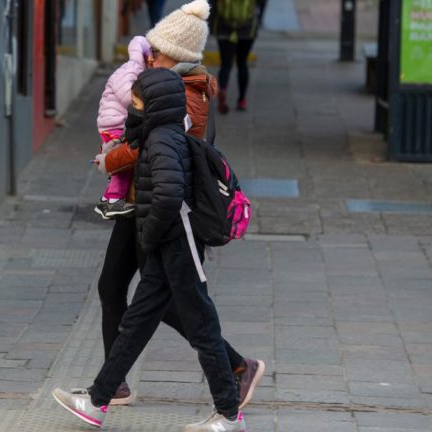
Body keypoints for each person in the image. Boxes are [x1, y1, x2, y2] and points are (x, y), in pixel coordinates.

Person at [92, 0, 265, 408]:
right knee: (122, 289)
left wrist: (111, 158)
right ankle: (112, 385)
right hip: (144, 197)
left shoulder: (188, 96)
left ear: (178, 55)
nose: (150, 56)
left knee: (165, 301)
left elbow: (153, 144)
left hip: (164, 207)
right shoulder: (167, 85)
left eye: (158, 51)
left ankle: (236, 369)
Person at [54, 68, 244, 432]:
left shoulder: (161, 141)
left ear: (154, 105)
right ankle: (97, 402)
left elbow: (170, 195)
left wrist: (149, 234)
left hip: (178, 243)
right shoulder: (160, 136)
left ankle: (230, 415)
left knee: (202, 325)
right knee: (136, 323)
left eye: (138, 102)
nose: (132, 108)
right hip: (167, 243)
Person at [94, 36, 151, 219]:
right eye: (149, 55)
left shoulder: (134, 70)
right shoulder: (130, 70)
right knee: (122, 164)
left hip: (113, 122)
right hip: (114, 124)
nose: (151, 60)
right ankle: (114, 201)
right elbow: (128, 96)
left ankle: (106, 199)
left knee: (120, 161)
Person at [210, 0, 267, 113]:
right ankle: (241, 100)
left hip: (223, 27)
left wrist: (211, 24)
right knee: (242, 62)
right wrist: (259, 18)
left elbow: (211, 4)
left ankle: (223, 89)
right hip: (248, 28)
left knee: (226, 64)